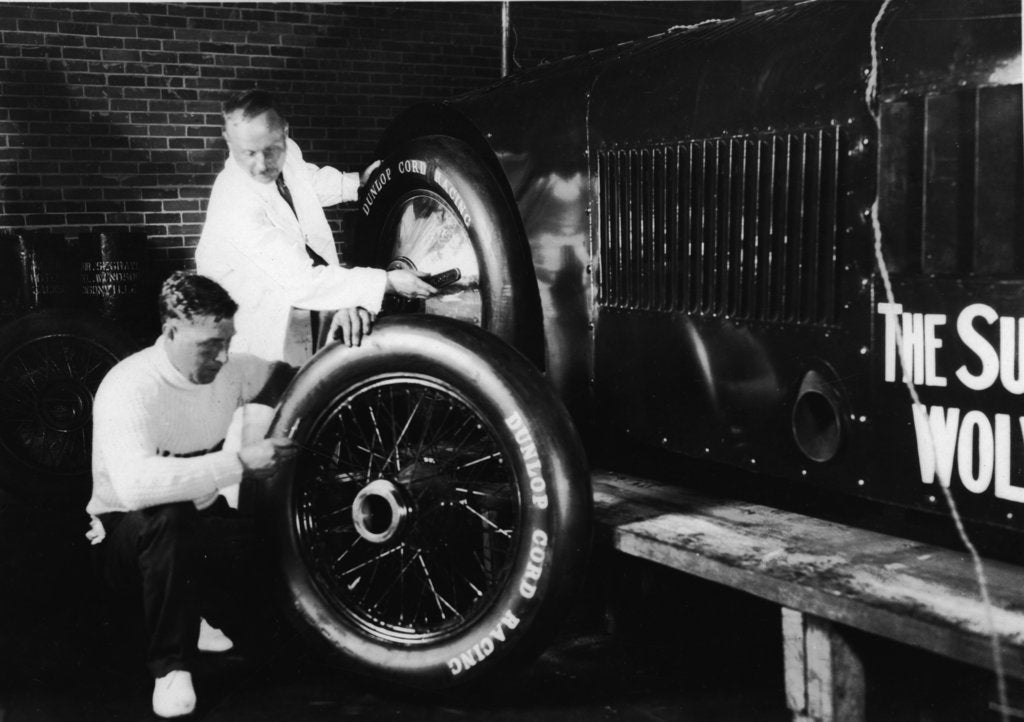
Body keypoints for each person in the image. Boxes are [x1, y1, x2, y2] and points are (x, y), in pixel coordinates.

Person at [86, 271, 298, 718]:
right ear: (171, 332)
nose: (223, 356)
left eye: (228, 342)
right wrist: (240, 463)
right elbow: (135, 487)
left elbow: (294, 382)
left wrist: (345, 346)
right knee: (168, 517)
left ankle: (195, 610)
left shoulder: (231, 370)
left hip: (202, 525)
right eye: (209, 347)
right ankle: (170, 669)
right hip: (129, 535)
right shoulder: (129, 385)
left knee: (279, 645)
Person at [196, 88, 436, 364]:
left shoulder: (288, 154)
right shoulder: (234, 202)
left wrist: (355, 182)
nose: (262, 165)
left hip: (292, 304)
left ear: (285, 133)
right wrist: (387, 282)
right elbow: (299, 281)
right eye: (248, 153)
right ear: (228, 140)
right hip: (250, 323)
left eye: (272, 151)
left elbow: (305, 180)